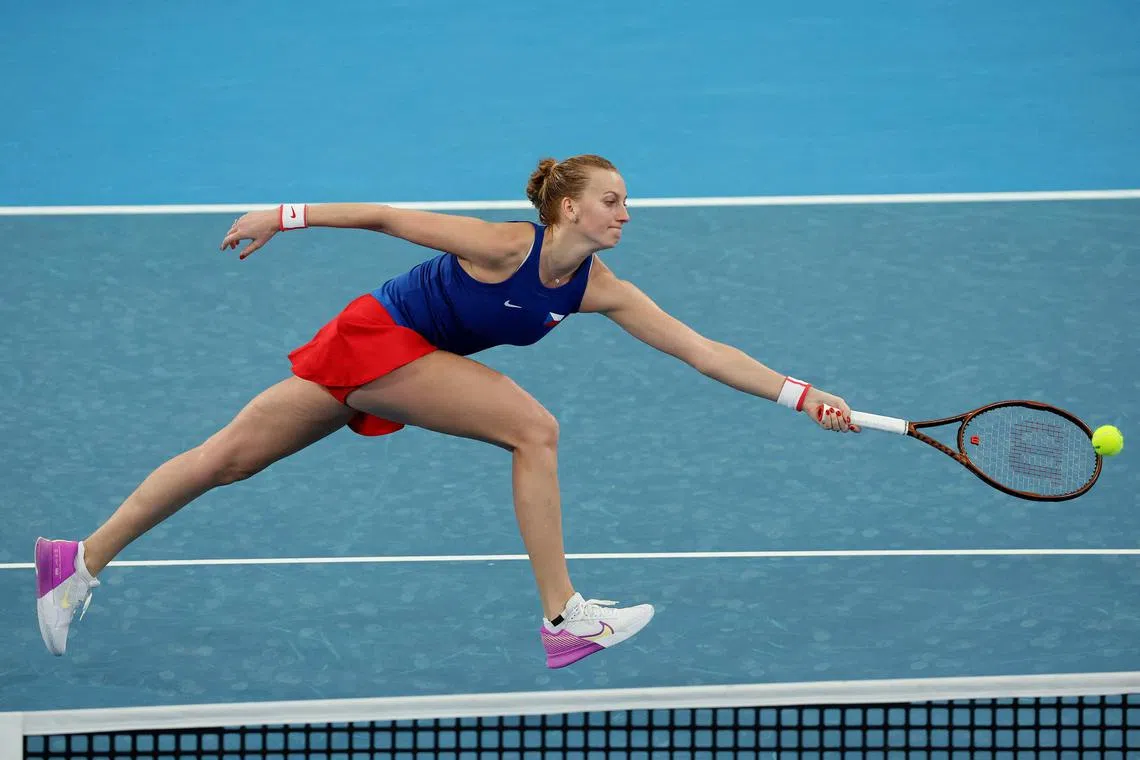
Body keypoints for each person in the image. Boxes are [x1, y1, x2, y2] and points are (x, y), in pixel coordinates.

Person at [35, 154, 860, 669]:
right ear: (568, 207)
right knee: (534, 429)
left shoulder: (596, 289)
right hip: (377, 341)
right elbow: (389, 217)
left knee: (226, 460)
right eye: (613, 199)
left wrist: (803, 394)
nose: (626, 212)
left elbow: (700, 349)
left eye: (627, 201)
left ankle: (76, 561)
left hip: (395, 360)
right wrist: (282, 216)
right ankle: (564, 617)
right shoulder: (505, 244)